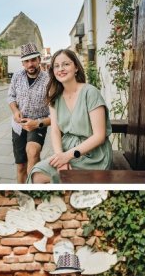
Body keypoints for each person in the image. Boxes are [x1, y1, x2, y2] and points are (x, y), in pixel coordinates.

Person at [27, 49, 113, 183]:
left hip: (93, 154)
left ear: (76, 67)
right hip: (66, 149)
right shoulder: (55, 96)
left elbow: (99, 136)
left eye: (66, 64)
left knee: (59, 178)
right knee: (36, 174)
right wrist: (60, 156)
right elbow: (55, 130)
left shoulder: (90, 93)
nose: (61, 69)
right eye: (56, 66)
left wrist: (68, 156)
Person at [8, 42, 51, 183]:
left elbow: (56, 113)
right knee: (20, 166)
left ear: (39, 59)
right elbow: (11, 96)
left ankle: (33, 188)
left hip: (38, 123)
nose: (30, 64)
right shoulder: (17, 76)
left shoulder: (49, 80)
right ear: (22, 63)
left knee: (32, 153)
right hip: (18, 126)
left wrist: (38, 123)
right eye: (26, 61)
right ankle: (21, 193)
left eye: (33, 60)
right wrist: (15, 111)